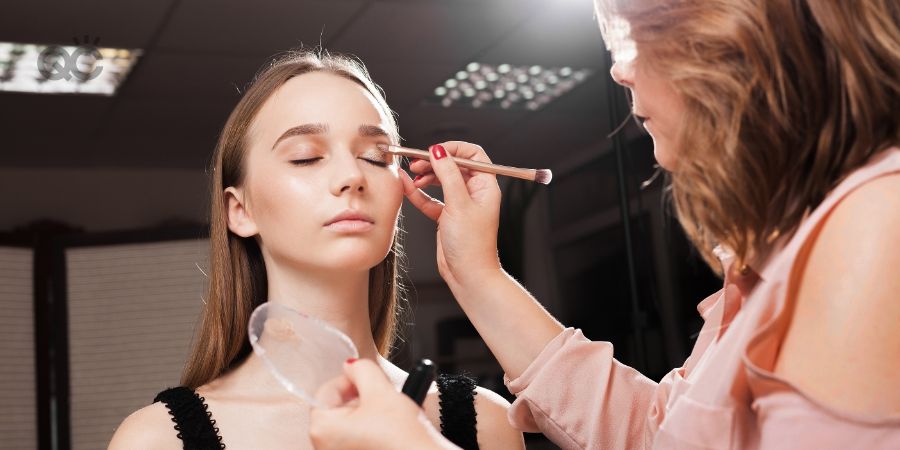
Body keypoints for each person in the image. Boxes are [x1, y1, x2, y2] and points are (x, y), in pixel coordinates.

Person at [308, 0, 900, 448]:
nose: (620, 72)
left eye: (641, 35)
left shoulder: (873, 228)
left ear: (729, 40)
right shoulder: (794, 249)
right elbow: (654, 435)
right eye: (306, 157)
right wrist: (476, 272)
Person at [107, 50, 524, 450]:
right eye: (306, 157)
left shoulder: (485, 422)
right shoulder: (156, 440)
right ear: (240, 210)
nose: (351, 176)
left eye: (375, 157)